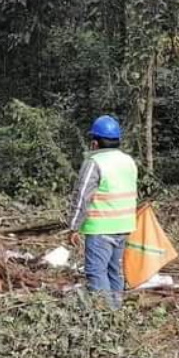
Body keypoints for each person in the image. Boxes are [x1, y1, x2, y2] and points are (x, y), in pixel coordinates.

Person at [67, 115, 138, 308]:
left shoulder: (94, 162)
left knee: (96, 272)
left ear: (95, 142)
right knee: (114, 272)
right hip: (124, 226)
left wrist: (73, 227)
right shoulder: (128, 161)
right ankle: (117, 310)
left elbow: (82, 196)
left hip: (101, 227)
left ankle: (106, 314)